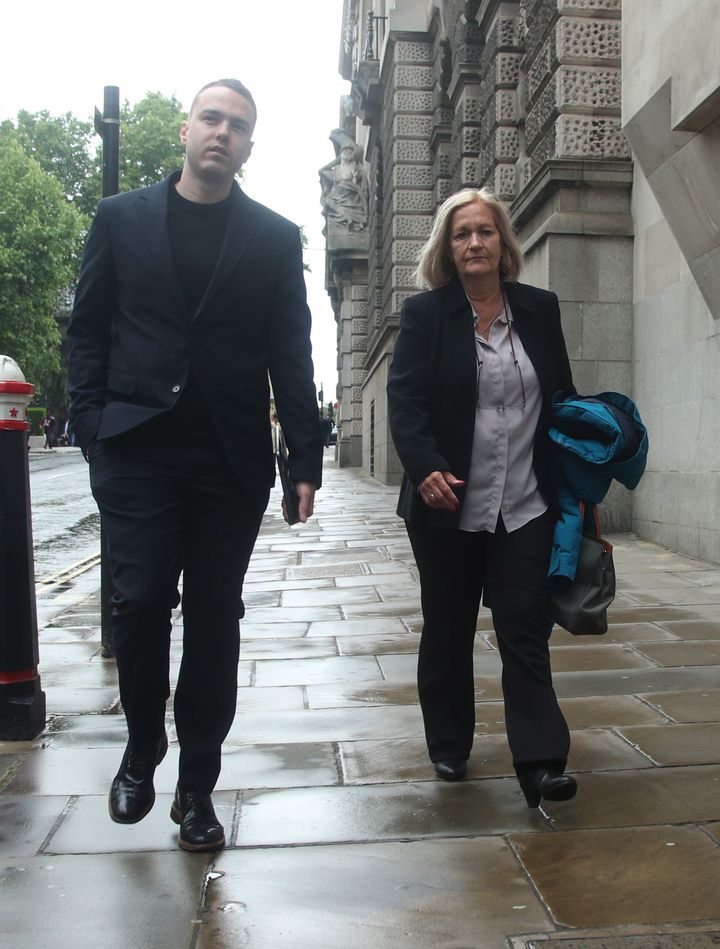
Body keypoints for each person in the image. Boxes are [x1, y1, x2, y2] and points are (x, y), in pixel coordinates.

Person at [67, 78, 323, 851]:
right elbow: (87, 326)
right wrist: (90, 425)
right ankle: (144, 744)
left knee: (216, 619)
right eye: (211, 118)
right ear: (185, 130)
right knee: (138, 600)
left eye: (237, 125)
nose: (222, 132)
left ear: (250, 144)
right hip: (138, 446)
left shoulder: (275, 238)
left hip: (227, 458)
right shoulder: (121, 219)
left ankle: (198, 789)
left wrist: (303, 457)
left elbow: (291, 350)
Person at [386, 187, 578, 808]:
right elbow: (406, 404)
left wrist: (593, 447)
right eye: (462, 233)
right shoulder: (425, 316)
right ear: (448, 248)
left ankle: (542, 761)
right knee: (448, 626)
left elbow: (563, 397)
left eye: (485, 232)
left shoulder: (539, 310)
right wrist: (425, 468)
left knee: (524, 623)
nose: (474, 242)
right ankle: (449, 742)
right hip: (449, 506)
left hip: (524, 501)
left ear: (504, 243)